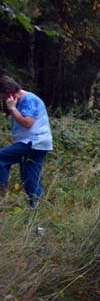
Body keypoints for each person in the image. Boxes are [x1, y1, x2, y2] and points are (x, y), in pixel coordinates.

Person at [0, 75, 53, 207]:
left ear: (9, 92)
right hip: (38, 145)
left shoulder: (29, 99)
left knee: (1, 157)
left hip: (33, 143)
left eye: (1, 95)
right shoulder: (21, 100)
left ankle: (1, 195)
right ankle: (38, 212)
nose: (1, 99)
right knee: (31, 180)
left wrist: (12, 108)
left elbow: (27, 123)